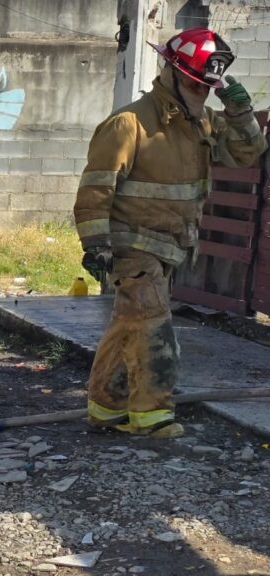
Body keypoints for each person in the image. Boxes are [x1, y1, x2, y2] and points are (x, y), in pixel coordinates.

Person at [74, 28, 266, 439]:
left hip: (171, 246)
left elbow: (247, 153)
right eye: (196, 83)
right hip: (132, 246)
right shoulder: (130, 124)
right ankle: (152, 416)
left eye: (208, 86)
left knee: (129, 324)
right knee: (152, 328)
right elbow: (96, 187)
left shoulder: (202, 125)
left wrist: (241, 113)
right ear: (172, 72)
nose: (202, 92)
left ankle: (106, 407)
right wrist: (95, 245)